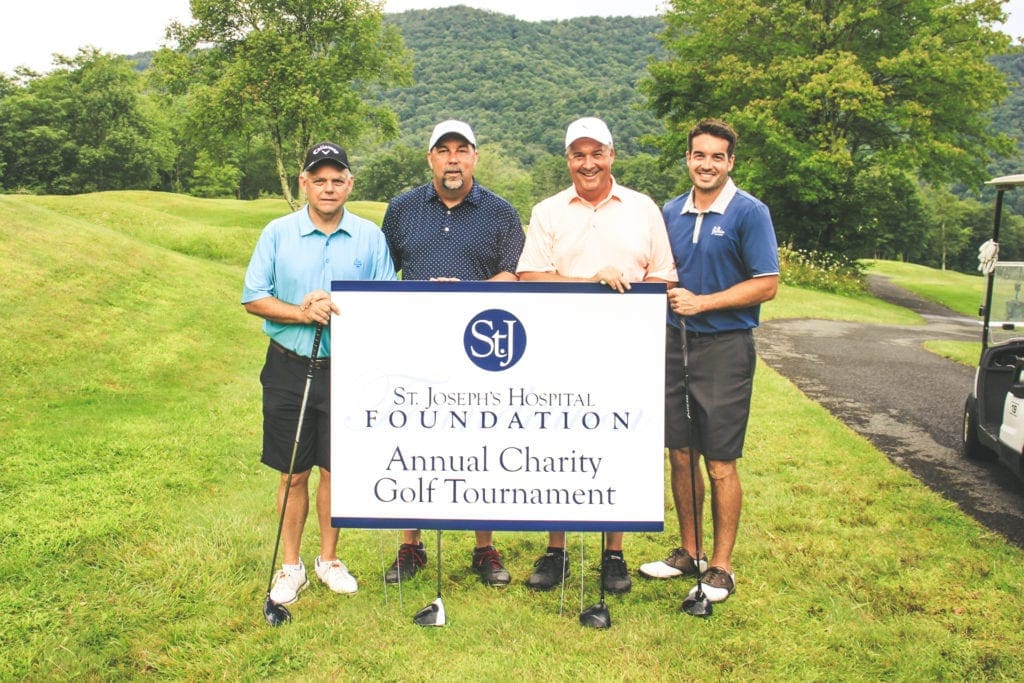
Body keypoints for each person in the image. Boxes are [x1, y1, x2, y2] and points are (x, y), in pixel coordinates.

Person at [516, 116, 677, 594]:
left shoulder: (642, 208)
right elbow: (531, 276)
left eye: (596, 153)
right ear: (568, 160)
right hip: (560, 344)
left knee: (618, 443)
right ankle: (556, 550)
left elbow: (664, 276)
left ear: (611, 155)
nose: (588, 163)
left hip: (627, 347)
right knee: (558, 444)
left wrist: (623, 296)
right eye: (578, 155)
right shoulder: (548, 211)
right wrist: (591, 284)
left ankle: (614, 555)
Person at [242, 141, 397, 606]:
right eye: (319, 179)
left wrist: (340, 309)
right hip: (289, 366)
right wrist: (300, 310)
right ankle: (291, 566)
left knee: (336, 470)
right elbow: (254, 298)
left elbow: (385, 300)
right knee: (293, 473)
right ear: (305, 183)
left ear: (349, 183)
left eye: (337, 179)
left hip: (348, 369)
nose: (328, 187)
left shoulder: (370, 237)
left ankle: (328, 559)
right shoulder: (277, 232)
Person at [638, 119, 779, 605]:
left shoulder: (748, 212)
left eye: (717, 157)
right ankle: (690, 552)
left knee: (720, 462)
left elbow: (767, 283)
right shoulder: (670, 211)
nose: (707, 164)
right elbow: (654, 272)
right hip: (673, 344)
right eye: (699, 155)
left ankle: (721, 567)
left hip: (725, 347)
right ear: (688, 158)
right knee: (680, 454)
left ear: (730, 162)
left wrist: (705, 302)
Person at [380, 120, 525, 586]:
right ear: (431, 159)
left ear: (475, 157)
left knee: (478, 442)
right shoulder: (402, 209)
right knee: (415, 442)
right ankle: (411, 545)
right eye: (443, 151)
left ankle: (484, 547)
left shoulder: (500, 212)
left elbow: (513, 274)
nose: (453, 159)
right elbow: (385, 273)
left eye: (462, 150)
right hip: (413, 342)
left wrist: (470, 294)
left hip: (479, 345)